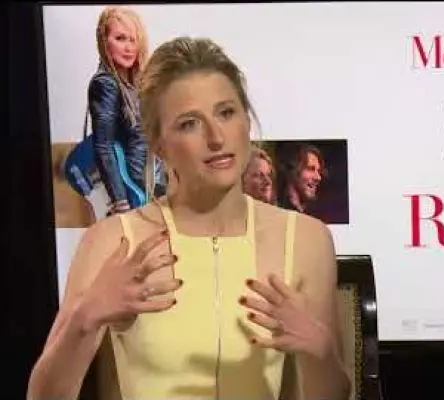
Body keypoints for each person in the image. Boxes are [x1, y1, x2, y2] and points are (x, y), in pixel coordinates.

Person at [27, 36, 351, 400]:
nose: (216, 137)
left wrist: (321, 351)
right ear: (158, 145)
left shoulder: (306, 238)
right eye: (189, 124)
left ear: (246, 120)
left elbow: (333, 394)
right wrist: (83, 319)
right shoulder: (111, 241)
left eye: (226, 113)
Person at [88, 6, 165, 215]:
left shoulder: (135, 84)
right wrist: (120, 201)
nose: (129, 48)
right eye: (120, 38)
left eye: (133, 40)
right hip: (137, 188)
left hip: (153, 182)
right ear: (104, 42)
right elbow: (103, 146)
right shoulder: (105, 84)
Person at [277, 144, 326, 214]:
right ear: (293, 172)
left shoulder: (312, 215)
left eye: (319, 171)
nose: (318, 177)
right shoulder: (277, 211)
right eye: (311, 169)